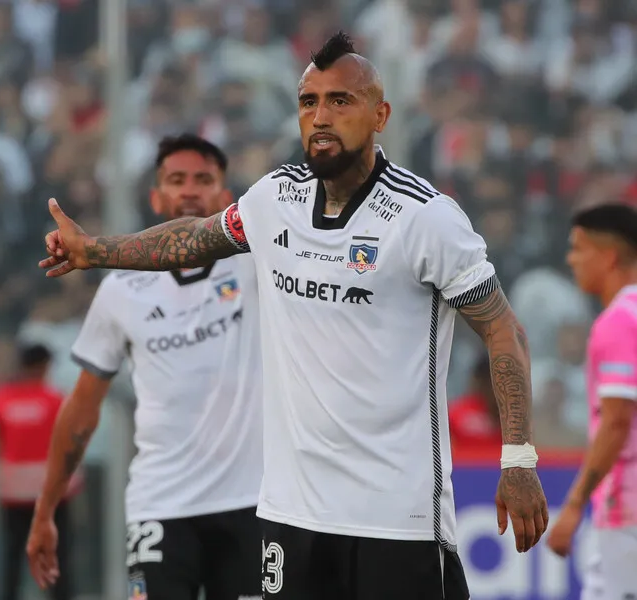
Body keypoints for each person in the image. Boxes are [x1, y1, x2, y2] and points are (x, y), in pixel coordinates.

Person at [38, 32, 549, 598]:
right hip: (292, 519)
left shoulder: (424, 218)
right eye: (309, 102)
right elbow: (193, 238)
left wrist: (519, 458)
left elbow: (504, 329)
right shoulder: (273, 200)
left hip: (396, 521)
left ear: (380, 114)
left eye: (340, 101)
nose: (321, 117)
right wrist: (96, 251)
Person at [27, 134, 264, 599]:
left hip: (254, 504)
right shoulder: (122, 290)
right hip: (161, 505)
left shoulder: (258, 266)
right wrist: (44, 510)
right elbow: (81, 410)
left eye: (204, 180)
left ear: (226, 198)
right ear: (157, 197)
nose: (190, 191)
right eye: (176, 180)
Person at [547, 204, 637, 599]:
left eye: (578, 248)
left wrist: (573, 505)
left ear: (609, 256)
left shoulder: (619, 321)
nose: (571, 259)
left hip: (627, 506)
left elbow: (617, 422)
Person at [0, 335, 77, 600]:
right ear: (43, 366)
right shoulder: (55, 401)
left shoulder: (2, 400)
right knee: (56, 557)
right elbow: (67, 445)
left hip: (13, 493)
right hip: (50, 495)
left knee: (12, 556)